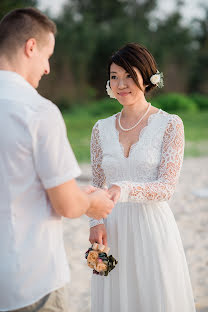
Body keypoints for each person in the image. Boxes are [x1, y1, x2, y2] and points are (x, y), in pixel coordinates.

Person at [0, 7, 114, 312]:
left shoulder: (169, 124)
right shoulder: (41, 112)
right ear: (31, 47)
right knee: (110, 281)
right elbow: (67, 203)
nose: (48, 68)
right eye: (47, 56)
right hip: (30, 279)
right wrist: (93, 206)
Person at [89, 43, 196, 312]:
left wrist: (122, 188)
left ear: (147, 77)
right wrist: (95, 222)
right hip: (111, 231)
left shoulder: (170, 124)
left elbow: (167, 187)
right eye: (114, 76)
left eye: (128, 75)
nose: (121, 84)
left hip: (152, 228)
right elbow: (95, 183)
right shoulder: (100, 129)